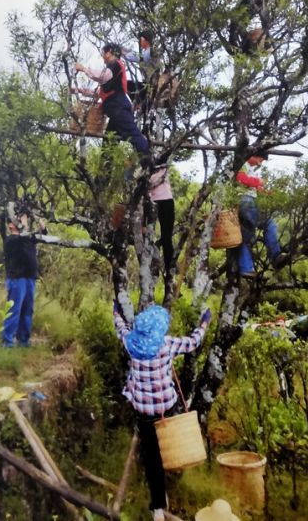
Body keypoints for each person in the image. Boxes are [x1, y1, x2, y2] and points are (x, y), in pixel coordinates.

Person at [114, 303, 212, 521]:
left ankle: (158, 507)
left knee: (152, 458)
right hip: (167, 408)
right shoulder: (167, 344)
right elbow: (194, 342)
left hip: (144, 412)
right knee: (169, 447)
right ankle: (174, 476)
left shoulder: (131, 343)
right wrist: (204, 322)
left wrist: (116, 313)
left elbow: (120, 328)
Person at [74, 43, 150, 157]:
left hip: (119, 108)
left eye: (103, 53)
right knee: (109, 143)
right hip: (115, 111)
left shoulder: (115, 65)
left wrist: (84, 69)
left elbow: (102, 76)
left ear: (109, 52)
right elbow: (99, 93)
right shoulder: (112, 70)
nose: (102, 57)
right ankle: (105, 172)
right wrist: (78, 90)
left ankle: (150, 164)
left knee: (134, 135)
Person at [236, 151, 289, 277]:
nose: (261, 161)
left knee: (245, 237)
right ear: (253, 155)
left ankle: (246, 268)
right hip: (246, 201)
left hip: (245, 202)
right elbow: (240, 178)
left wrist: (268, 193)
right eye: (260, 158)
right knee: (268, 223)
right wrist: (258, 181)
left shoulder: (249, 168)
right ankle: (275, 256)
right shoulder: (242, 164)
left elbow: (255, 187)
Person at [1, 212, 47, 348]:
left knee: (27, 311)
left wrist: (41, 224)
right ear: (10, 225)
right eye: (18, 220)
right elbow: (20, 238)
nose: (21, 222)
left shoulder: (28, 238)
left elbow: (42, 235)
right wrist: (25, 224)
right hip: (17, 279)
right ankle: (7, 342)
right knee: (14, 310)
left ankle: (24, 341)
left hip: (30, 278)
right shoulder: (10, 241)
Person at [149, 168, 175, 281]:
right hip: (152, 202)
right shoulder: (144, 166)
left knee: (166, 238)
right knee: (148, 237)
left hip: (166, 200)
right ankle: (152, 269)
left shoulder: (163, 166)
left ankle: (169, 268)